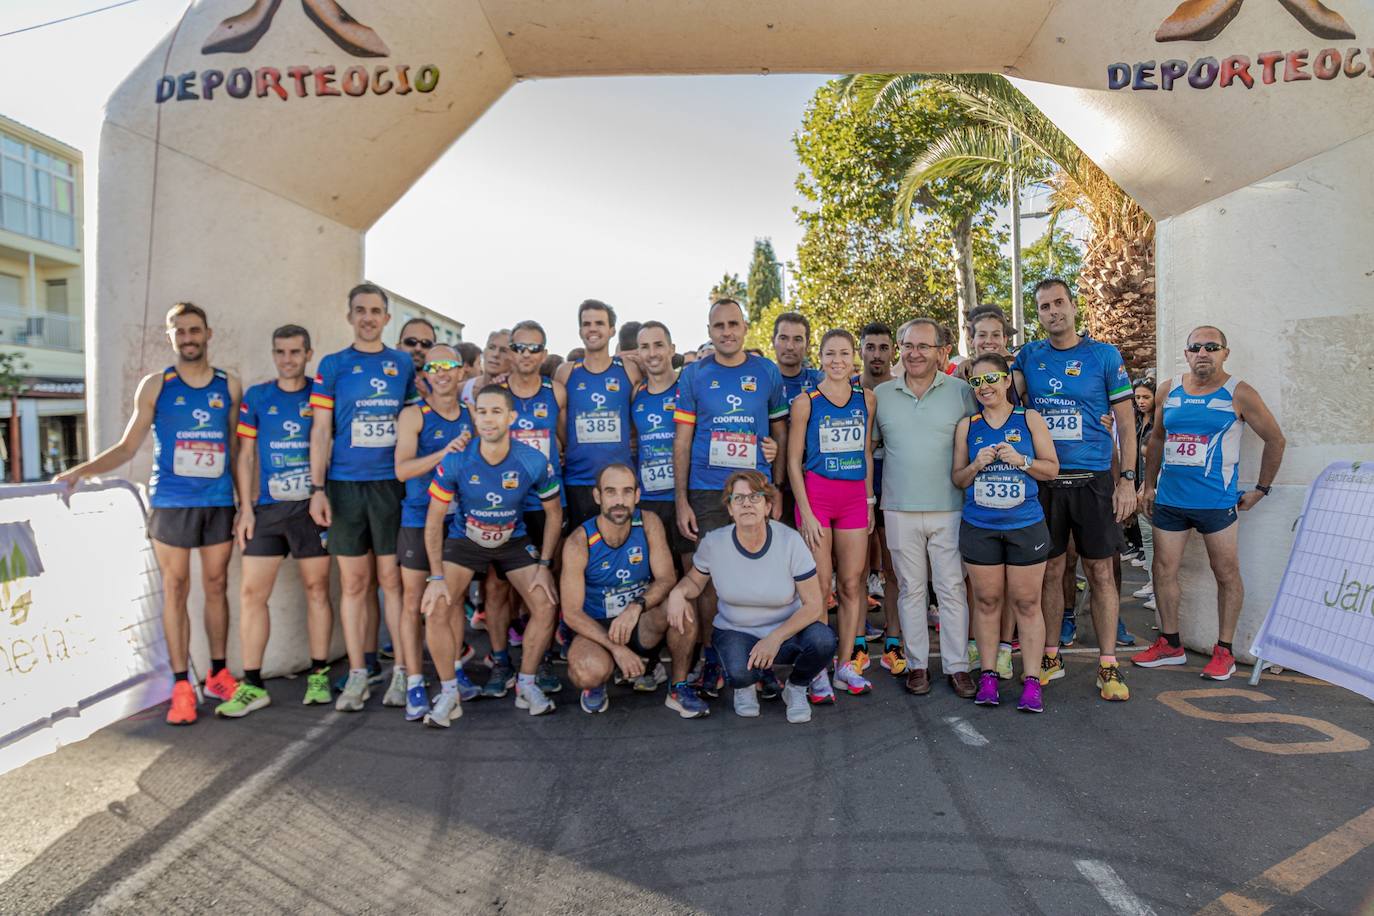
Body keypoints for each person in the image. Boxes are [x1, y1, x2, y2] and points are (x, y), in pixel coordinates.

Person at [55, 302, 241, 725]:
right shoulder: (156, 386)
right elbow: (127, 447)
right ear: (170, 336)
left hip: (217, 501)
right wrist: (78, 473)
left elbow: (238, 450)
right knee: (175, 589)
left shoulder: (230, 386)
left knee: (216, 586)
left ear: (209, 334)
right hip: (172, 502)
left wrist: (246, 504)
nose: (189, 337)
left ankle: (217, 673)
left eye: (195, 330)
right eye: (181, 331)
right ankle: (181, 687)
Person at [1135, 327, 1286, 679]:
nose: (1203, 352)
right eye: (1196, 347)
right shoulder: (1167, 390)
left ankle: (1224, 650)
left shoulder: (1240, 393)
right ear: (1187, 354)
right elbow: (1157, 439)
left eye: (1211, 347)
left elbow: (1275, 439)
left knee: (1227, 573)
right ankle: (1170, 644)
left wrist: (1262, 488)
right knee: (1163, 570)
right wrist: (1148, 486)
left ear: (1224, 353)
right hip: (1170, 501)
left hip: (1217, 503)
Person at [1012, 278, 1137, 701]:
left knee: (1100, 572)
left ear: (1073, 305)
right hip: (1045, 482)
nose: (1053, 312)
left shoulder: (1103, 355)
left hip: (1093, 481)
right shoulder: (1028, 355)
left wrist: (1127, 480)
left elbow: (1126, 422)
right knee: (1050, 570)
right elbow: (997, 398)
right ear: (1039, 314)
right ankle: (1050, 656)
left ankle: (1108, 665)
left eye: (1059, 303)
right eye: (1044, 307)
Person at [420, 384, 563, 726]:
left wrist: (544, 566)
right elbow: (434, 519)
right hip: (465, 538)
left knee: (545, 603)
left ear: (511, 417)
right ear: (474, 413)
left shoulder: (531, 459)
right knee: (437, 607)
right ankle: (449, 693)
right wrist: (436, 577)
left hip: (512, 537)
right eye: (482, 411)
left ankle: (526, 684)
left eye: (496, 411)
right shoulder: (456, 459)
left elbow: (555, 514)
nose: (488, 418)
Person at [308, 283, 418, 712]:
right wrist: (318, 489)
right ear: (350, 316)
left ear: (386, 318)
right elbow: (320, 431)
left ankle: (405, 672)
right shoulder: (334, 365)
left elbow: (412, 422)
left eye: (375, 311)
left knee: (392, 582)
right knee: (354, 583)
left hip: (390, 486)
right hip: (345, 485)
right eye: (360, 310)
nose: (368, 317)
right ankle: (358, 674)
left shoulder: (402, 363)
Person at [673, 298, 787, 696]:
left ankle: (762, 659)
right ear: (709, 331)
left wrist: (780, 481)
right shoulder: (693, 375)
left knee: (761, 577)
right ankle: (712, 659)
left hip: (756, 489)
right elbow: (682, 440)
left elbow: (780, 429)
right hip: (707, 491)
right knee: (707, 583)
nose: (726, 331)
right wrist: (681, 500)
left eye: (733, 324)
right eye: (718, 325)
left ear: (745, 327)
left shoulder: (766, 371)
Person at [218, 324, 334, 717]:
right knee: (252, 595)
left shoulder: (319, 395)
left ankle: (318, 674)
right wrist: (245, 508)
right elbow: (246, 455)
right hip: (266, 510)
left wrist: (320, 492)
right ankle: (253, 684)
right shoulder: (258, 396)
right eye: (281, 352)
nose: (287, 360)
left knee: (317, 590)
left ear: (308, 354)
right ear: (274, 354)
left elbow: (324, 441)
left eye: (295, 353)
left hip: (309, 509)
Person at [665, 471, 835, 723]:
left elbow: (813, 605)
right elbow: (694, 581)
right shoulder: (714, 543)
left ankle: (796, 687)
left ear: (767, 506)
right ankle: (744, 687)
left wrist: (775, 637)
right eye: (739, 498)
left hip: (785, 633)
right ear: (730, 508)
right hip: (736, 630)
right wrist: (678, 592)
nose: (746, 503)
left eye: (754, 497)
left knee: (823, 640)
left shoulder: (790, 542)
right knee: (737, 671)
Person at [874, 318, 978, 698]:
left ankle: (957, 667)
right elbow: (869, 447)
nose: (914, 353)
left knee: (951, 588)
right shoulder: (882, 395)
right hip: (899, 507)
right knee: (910, 591)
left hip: (950, 506)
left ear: (940, 351)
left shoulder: (962, 392)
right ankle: (916, 664)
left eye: (923, 346)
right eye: (907, 345)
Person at [952, 354, 1059, 712]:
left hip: (1024, 526)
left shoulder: (1029, 419)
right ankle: (988, 676)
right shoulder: (967, 426)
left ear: (1008, 380)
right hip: (981, 526)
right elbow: (957, 479)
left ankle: (1031, 682)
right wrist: (975, 465)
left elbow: (1052, 470)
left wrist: (1021, 461)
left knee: (1027, 603)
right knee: (986, 602)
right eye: (977, 382)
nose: (985, 387)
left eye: (992, 378)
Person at [561, 464, 709, 717]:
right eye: (611, 492)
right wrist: (616, 648)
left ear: (637, 496)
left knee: (682, 605)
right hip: (598, 627)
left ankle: (679, 687)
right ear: (598, 496)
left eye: (626, 492)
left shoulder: (648, 522)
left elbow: (666, 578)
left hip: (639, 620)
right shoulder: (579, 541)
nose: (619, 501)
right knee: (587, 672)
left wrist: (635, 607)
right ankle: (600, 682)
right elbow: (572, 613)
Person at [787, 329, 876, 699]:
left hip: (854, 497)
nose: (837, 360)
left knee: (852, 584)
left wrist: (869, 501)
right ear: (819, 358)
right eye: (830, 354)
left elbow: (868, 452)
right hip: (818, 498)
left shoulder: (866, 399)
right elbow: (793, 463)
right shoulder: (806, 401)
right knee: (821, 589)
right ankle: (818, 669)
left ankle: (845, 665)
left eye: (844, 353)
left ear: (853, 356)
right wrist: (806, 511)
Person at [483, 319, 567, 698]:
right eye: (519, 347)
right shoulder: (494, 395)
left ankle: (543, 657)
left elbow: (562, 442)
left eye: (534, 348)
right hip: (503, 507)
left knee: (547, 585)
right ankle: (501, 662)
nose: (526, 355)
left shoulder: (557, 393)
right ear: (509, 352)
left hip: (548, 505)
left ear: (544, 354)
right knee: (497, 587)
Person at [394, 344, 475, 721]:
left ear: (462, 373)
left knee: (453, 600)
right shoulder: (414, 415)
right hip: (417, 517)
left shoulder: (471, 415)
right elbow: (403, 470)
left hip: (456, 522)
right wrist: (444, 453)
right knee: (414, 603)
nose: (442, 373)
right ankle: (413, 681)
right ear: (425, 373)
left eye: (450, 366)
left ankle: (454, 672)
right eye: (434, 366)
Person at [555, 300, 641, 529]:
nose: (593, 329)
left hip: (620, 482)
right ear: (580, 330)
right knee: (578, 549)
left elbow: (638, 416)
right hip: (578, 480)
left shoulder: (629, 370)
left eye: (599, 323)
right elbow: (560, 424)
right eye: (587, 324)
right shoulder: (566, 372)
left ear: (612, 330)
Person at [859, 321, 904, 672]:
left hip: (892, 483)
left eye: (883, 347)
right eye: (870, 347)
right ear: (860, 350)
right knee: (855, 568)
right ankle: (856, 639)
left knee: (892, 568)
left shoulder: (900, 390)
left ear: (894, 352)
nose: (877, 354)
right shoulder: (844, 389)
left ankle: (894, 639)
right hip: (854, 485)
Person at [772, 311, 823, 530]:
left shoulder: (820, 381)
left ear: (808, 344)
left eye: (797, 339)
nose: (790, 346)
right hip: (773, 485)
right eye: (783, 338)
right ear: (773, 341)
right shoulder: (760, 381)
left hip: (813, 481)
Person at [463, 329, 511, 406]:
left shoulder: (517, 392)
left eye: (503, 351)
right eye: (491, 347)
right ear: (484, 352)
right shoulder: (463, 389)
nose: (495, 354)